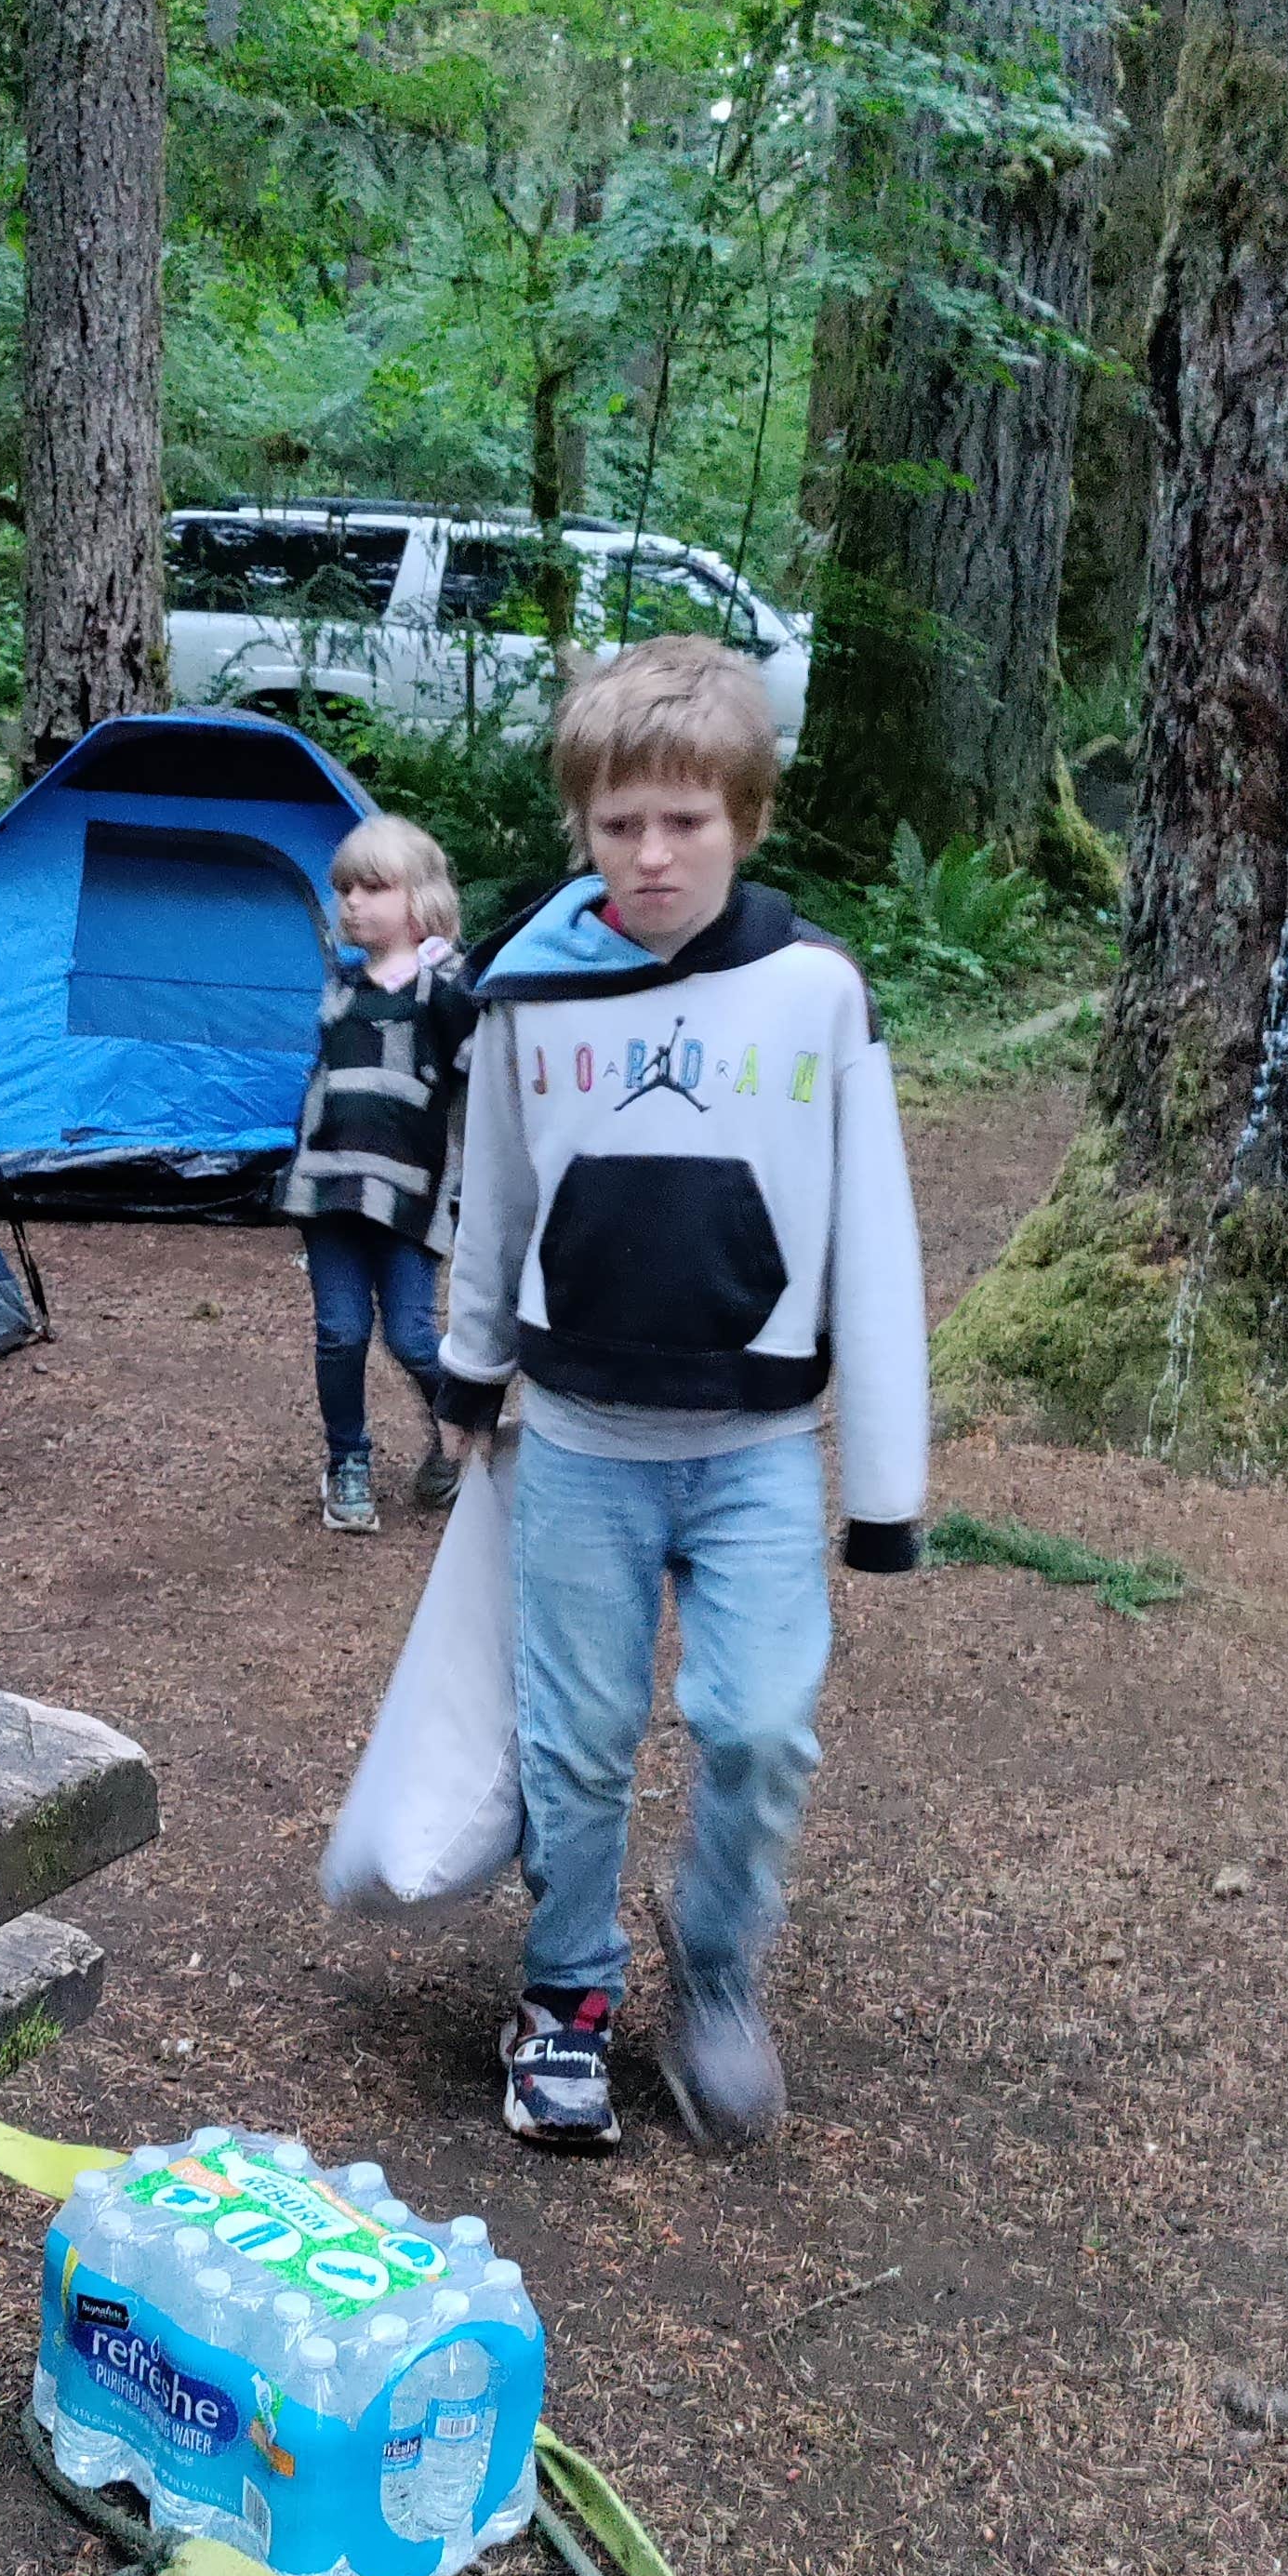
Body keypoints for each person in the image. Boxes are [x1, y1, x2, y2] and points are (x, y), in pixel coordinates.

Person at [433, 635, 926, 2153]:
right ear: (583, 826)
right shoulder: (527, 993)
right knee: (575, 1740)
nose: (650, 855)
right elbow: (493, 1197)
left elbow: (878, 1238)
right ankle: (567, 1997)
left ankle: (713, 1968)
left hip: (758, 1443)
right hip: (582, 1436)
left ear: (746, 816)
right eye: (618, 823)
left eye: (685, 820)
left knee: (761, 1723)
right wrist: (468, 1373)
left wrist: (886, 1492)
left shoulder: (812, 992)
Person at [281, 813, 473, 1534]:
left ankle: (458, 1431)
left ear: (419, 898)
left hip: (411, 1193)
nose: (352, 903)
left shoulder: (443, 990)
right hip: (330, 1187)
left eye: (372, 887)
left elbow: (475, 1063)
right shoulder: (340, 988)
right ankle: (348, 1457)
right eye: (344, 890)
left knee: (415, 1338)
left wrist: (448, 970)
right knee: (340, 1331)